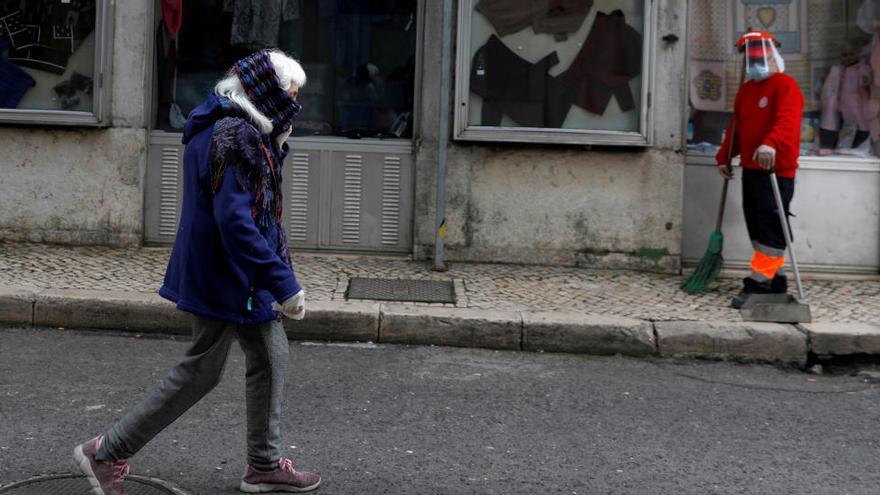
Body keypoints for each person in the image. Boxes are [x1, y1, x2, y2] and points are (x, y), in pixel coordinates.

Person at [73, 49, 321, 494]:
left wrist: (277, 144)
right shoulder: (235, 135)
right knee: (201, 371)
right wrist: (282, 282)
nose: (294, 104)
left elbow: (253, 202)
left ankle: (263, 465)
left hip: (237, 273)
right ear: (265, 91)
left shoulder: (239, 128)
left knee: (270, 355)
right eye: (290, 94)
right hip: (224, 274)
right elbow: (237, 220)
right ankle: (106, 450)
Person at [716, 31, 804, 309]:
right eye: (750, 59)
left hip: (776, 170)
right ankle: (775, 280)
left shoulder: (785, 85)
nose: (754, 63)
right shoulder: (745, 91)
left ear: (773, 58)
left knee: (770, 225)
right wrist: (724, 156)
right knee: (756, 224)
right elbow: (736, 129)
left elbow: (786, 122)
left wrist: (770, 144)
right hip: (752, 168)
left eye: (760, 57)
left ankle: (760, 282)